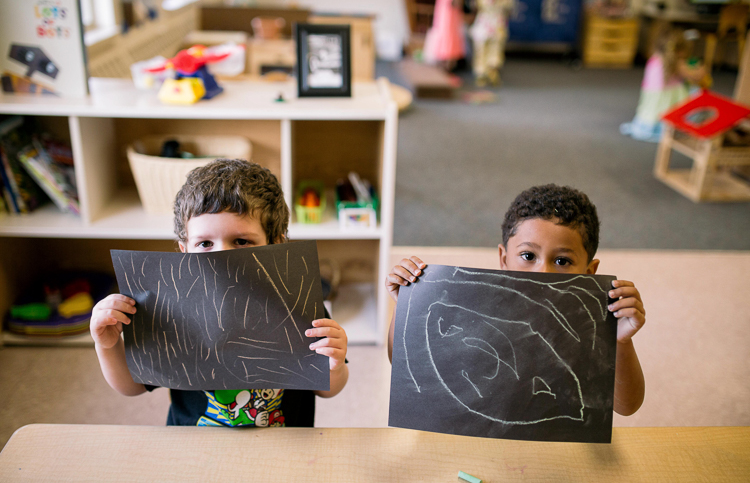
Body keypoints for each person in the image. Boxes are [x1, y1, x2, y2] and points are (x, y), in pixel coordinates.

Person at [91, 159, 349, 427]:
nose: (221, 258)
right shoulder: (169, 310)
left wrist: (335, 365)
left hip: (283, 451)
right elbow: (132, 387)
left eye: (241, 241)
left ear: (276, 245)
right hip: (194, 451)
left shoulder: (299, 306)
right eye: (204, 243)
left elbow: (327, 389)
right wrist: (108, 346)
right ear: (184, 251)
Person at [385, 184, 645, 416]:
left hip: (556, 448)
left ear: (589, 272)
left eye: (562, 261)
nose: (543, 273)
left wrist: (620, 341)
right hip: (474, 437)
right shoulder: (470, 306)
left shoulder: (588, 329)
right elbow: (402, 363)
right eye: (528, 256)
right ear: (504, 258)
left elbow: (626, 406)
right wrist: (407, 305)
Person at [620, 26, 707, 142]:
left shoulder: (654, 59)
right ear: (680, 50)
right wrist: (702, 69)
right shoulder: (677, 64)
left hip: (650, 110)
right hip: (668, 107)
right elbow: (697, 76)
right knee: (698, 93)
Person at [470, 0, 513, 86]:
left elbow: (475, 9)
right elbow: (509, 13)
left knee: (490, 50)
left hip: (491, 28)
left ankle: (488, 73)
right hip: (489, 28)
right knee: (485, 51)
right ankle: (485, 73)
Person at [423, 0, 467, 71]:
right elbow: (458, 4)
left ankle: (444, 69)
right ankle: (448, 70)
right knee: (450, 48)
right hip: (450, 25)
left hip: (442, 25)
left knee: (444, 46)